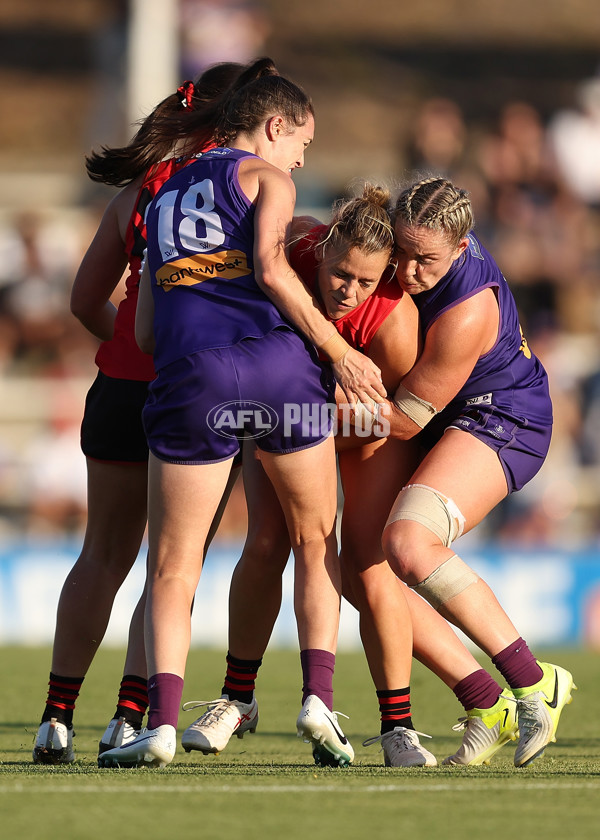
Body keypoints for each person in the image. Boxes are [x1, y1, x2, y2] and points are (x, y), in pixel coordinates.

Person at [98, 58, 386, 770]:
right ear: (274, 125)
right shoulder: (268, 178)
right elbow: (268, 265)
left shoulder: (161, 198)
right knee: (316, 541)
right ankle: (318, 699)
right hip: (279, 370)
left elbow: (142, 335)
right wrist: (335, 350)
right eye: (302, 145)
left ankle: (160, 723)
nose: (298, 159)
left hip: (191, 377)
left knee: (171, 569)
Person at [179, 184, 520, 768]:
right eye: (340, 273)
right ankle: (237, 698)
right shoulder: (296, 254)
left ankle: (398, 728)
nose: (348, 290)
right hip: (291, 410)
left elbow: (394, 420)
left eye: (367, 281)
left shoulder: (397, 318)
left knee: (368, 564)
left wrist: (303, 421)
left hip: (366, 422)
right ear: (327, 247)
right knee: (265, 542)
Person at [32, 62, 247, 765]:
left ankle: (54, 719)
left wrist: (128, 347)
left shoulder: (139, 192)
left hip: (121, 387)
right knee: (173, 565)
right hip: (192, 392)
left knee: (101, 555)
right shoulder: (240, 190)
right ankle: (126, 719)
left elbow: (84, 301)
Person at [379, 175, 576, 767]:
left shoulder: (467, 309)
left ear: (462, 249)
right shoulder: (409, 255)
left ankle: (534, 680)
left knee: (410, 541)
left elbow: (405, 420)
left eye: (425, 260)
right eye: (401, 251)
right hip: (443, 415)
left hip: (502, 417)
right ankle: (485, 700)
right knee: (362, 573)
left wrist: (301, 415)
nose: (408, 271)